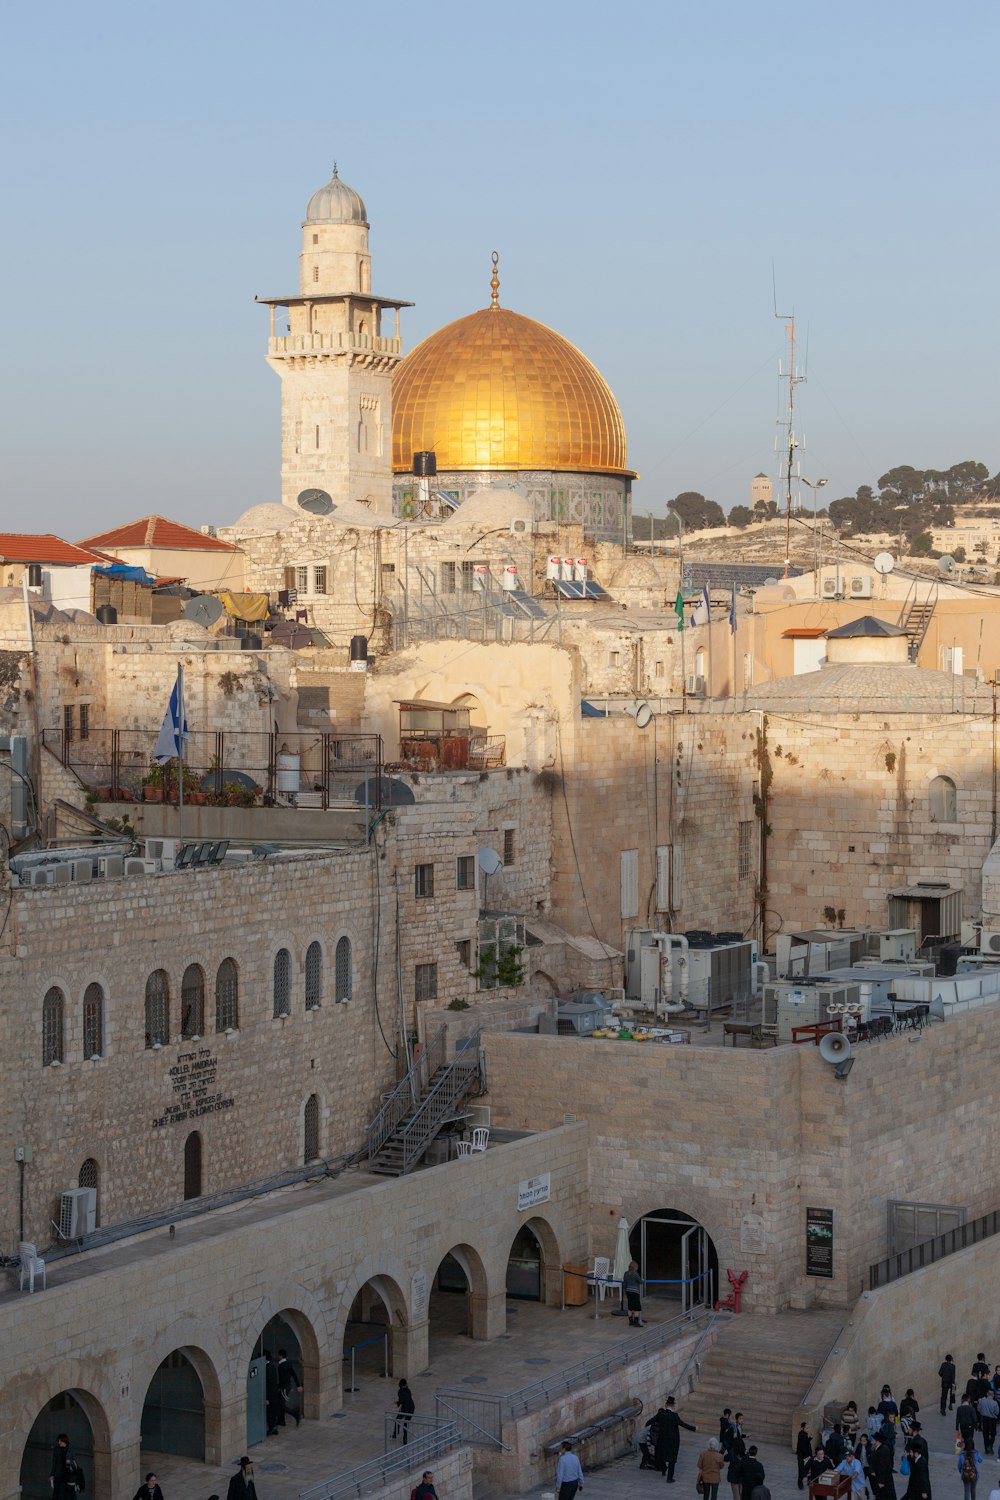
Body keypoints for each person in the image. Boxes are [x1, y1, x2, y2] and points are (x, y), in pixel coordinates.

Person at [654, 1395, 696, 1483]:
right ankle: (669, 1478)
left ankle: (664, 1469)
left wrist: (646, 1424)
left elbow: (652, 1420)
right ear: (673, 1405)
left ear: (666, 1404)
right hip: (673, 1440)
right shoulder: (674, 1416)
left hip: (663, 1439)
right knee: (672, 1459)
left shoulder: (661, 1413)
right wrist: (693, 1428)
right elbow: (683, 1424)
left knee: (662, 1455)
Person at [276, 1349, 302, 1428]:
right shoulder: (288, 1363)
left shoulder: (281, 1366)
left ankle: (295, 1413)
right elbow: (294, 1374)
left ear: (281, 1356)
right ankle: (281, 1421)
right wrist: (298, 1385)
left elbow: (282, 1379)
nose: (277, 1356)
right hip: (287, 1386)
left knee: (281, 1404)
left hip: (284, 1387)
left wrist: (279, 1387)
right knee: (281, 1403)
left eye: (278, 1355)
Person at [50, 1436, 79, 1500]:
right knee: (57, 1493)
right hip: (58, 1475)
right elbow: (54, 1462)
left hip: (67, 1476)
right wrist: (52, 1474)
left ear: (64, 1441)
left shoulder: (71, 1450)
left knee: (66, 1493)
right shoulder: (57, 1450)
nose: (59, 1443)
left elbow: (74, 1462)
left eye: (60, 1441)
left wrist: (69, 1461)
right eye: (58, 1441)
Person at [870, 1433, 896, 1500]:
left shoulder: (882, 1451)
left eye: (873, 1440)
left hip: (884, 1480)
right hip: (880, 1478)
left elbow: (883, 1467)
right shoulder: (878, 1449)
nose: (871, 1441)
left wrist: (881, 1481)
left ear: (877, 1441)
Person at [622, 1260, 644, 1328]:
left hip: (628, 1291)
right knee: (637, 1308)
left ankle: (631, 1322)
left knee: (630, 1307)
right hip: (635, 1292)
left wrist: (626, 1291)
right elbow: (640, 1281)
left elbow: (624, 1283)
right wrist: (642, 1280)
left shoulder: (625, 1273)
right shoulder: (635, 1273)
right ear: (635, 1267)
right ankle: (636, 1322)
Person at [264, 1350, 281, 1435]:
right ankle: (274, 1428)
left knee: (269, 1413)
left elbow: (267, 1384)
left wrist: (267, 1398)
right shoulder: (272, 1367)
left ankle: (272, 1428)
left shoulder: (267, 1369)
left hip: (270, 1395)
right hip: (274, 1393)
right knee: (272, 1412)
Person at [727, 1429, 746, 1500]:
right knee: (740, 1494)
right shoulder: (745, 1455)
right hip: (741, 1477)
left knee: (736, 1495)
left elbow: (725, 1458)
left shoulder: (732, 1453)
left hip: (734, 1477)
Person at [396, 1377, 415, 1444]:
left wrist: (398, 1403)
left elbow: (401, 1400)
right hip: (411, 1408)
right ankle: (405, 1439)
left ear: (400, 1385)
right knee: (405, 1423)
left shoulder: (400, 1391)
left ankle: (396, 1433)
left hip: (405, 1409)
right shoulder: (408, 1390)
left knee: (398, 1419)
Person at [981, 1389, 1000, 1454]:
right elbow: (997, 1412)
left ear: (987, 1394)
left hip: (985, 1419)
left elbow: (979, 1409)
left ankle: (986, 1448)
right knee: (993, 1434)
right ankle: (990, 1446)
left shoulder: (982, 1401)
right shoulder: (995, 1403)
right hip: (992, 1420)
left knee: (985, 1434)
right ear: (993, 1395)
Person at [796, 1422, 813, 1489]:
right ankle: (800, 1484)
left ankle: (807, 1481)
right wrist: (808, 1456)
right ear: (802, 1428)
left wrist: (809, 1438)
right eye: (806, 1428)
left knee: (806, 1469)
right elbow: (803, 1447)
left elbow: (805, 1443)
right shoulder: (802, 1435)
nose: (808, 1429)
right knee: (802, 1470)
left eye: (808, 1428)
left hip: (804, 1456)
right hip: (803, 1456)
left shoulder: (804, 1434)